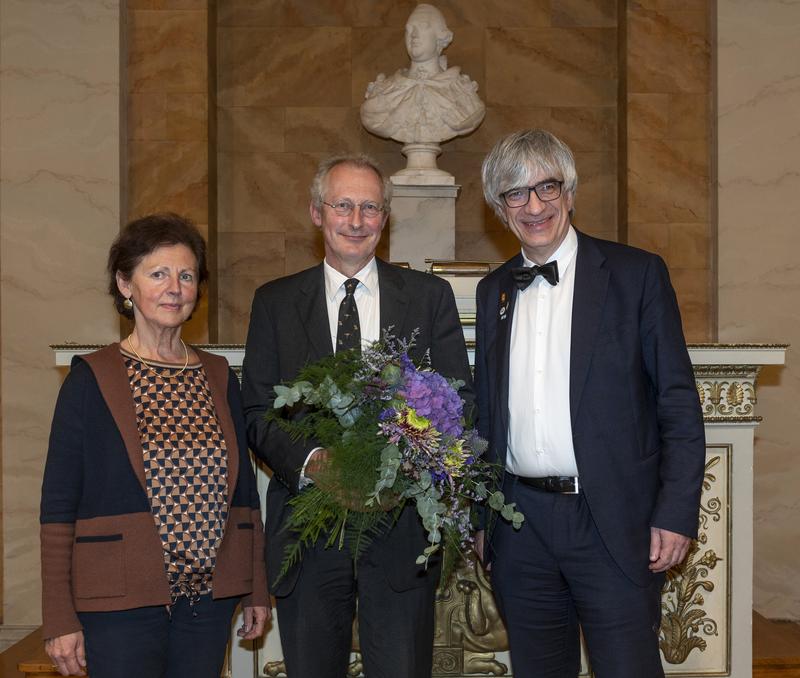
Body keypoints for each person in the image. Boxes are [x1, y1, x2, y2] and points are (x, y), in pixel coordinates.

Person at [474, 129, 706, 677]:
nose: (534, 206)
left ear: (571, 193)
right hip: (519, 524)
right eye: (516, 193)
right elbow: (487, 412)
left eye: (547, 187)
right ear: (499, 207)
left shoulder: (635, 274)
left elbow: (677, 401)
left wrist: (675, 513)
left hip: (612, 521)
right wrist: (482, 518)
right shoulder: (494, 291)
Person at [241, 154, 472, 678]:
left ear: (384, 219)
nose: (356, 220)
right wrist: (315, 461)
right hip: (309, 525)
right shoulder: (274, 303)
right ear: (316, 213)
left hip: (400, 527)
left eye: (370, 207)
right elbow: (256, 411)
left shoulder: (427, 298)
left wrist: (408, 461)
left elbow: (459, 401)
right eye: (342, 205)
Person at [40, 213, 269, 678]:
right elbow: (58, 506)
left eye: (186, 276)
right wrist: (59, 616)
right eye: (158, 273)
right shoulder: (92, 379)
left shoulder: (219, 375)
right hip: (118, 597)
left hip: (208, 600)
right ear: (126, 285)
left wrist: (255, 588)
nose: (175, 288)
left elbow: (245, 496)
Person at [360, 3, 484, 144]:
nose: (413, 35)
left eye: (423, 27)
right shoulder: (385, 90)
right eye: (409, 29)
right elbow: (371, 118)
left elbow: (472, 116)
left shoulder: (463, 94)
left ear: (440, 36)